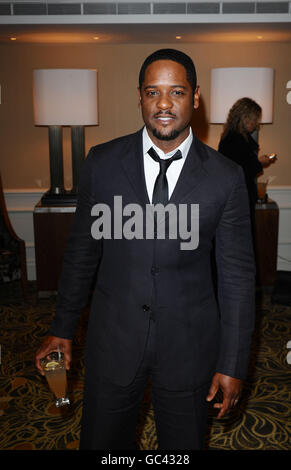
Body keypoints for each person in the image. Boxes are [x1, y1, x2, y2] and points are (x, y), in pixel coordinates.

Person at [35, 49, 255, 450]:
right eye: (153, 92)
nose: (165, 103)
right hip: (112, 343)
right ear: (140, 97)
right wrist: (62, 328)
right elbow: (81, 253)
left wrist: (232, 362)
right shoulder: (101, 164)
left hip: (190, 349)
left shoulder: (226, 178)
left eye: (177, 92)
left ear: (196, 97)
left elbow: (238, 276)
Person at [218, 97, 276, 220]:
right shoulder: (234, 140)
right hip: (237, 199)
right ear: (245, 118)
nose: (256, 123)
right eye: (254, 119)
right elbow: (240, 172)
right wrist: (259, 163)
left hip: (238, 197)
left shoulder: (234, 137)